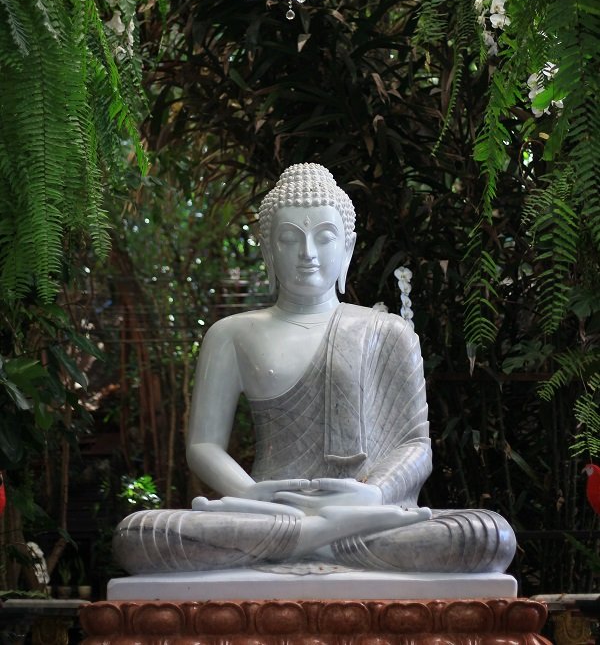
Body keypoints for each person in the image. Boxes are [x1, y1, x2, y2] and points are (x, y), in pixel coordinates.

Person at [113, 164, 515, 575]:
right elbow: (203, 446)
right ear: (268, 250)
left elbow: (415, 446)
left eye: (324, 237)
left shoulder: (386, 332)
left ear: (348, 247)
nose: (307, 253)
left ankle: (314, 537)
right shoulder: (232, 334)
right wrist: (251, 494)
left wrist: (373, 496)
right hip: (267, 512)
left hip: (366, 511)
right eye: (289, 238)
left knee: (486, 534)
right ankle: (322, 537)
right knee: (141, 533)